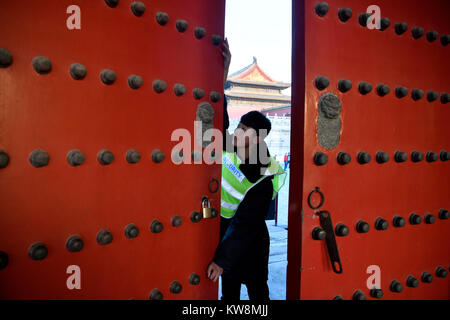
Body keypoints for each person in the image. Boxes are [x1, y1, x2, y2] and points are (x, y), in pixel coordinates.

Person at [206, 38, 286, 301]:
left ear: (258, 138)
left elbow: (247, 224)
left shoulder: (264, 174)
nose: (237, 133)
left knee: (257, 292)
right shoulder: (232, 147)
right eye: (239, 128)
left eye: (244, 131)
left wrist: (221, 259)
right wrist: (223, 73)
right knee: (229, 294)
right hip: (228, 234)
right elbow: (220, 115)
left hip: (250, 243)